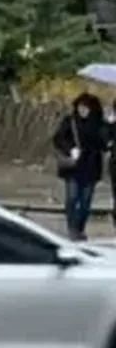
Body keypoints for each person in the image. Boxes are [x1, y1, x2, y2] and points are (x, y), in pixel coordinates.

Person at [52, 93, 106, 240]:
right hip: (73, 166)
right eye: (81, 106)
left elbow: (104, 144)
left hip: (91, 166)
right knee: (72, 197)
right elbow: (58, 138)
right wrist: (70, 149)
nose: (83, 110)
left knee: (85, 201)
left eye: (86, 107)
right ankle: (72, 228)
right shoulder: (70, 121)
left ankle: (80, 228)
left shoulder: (98, 124)